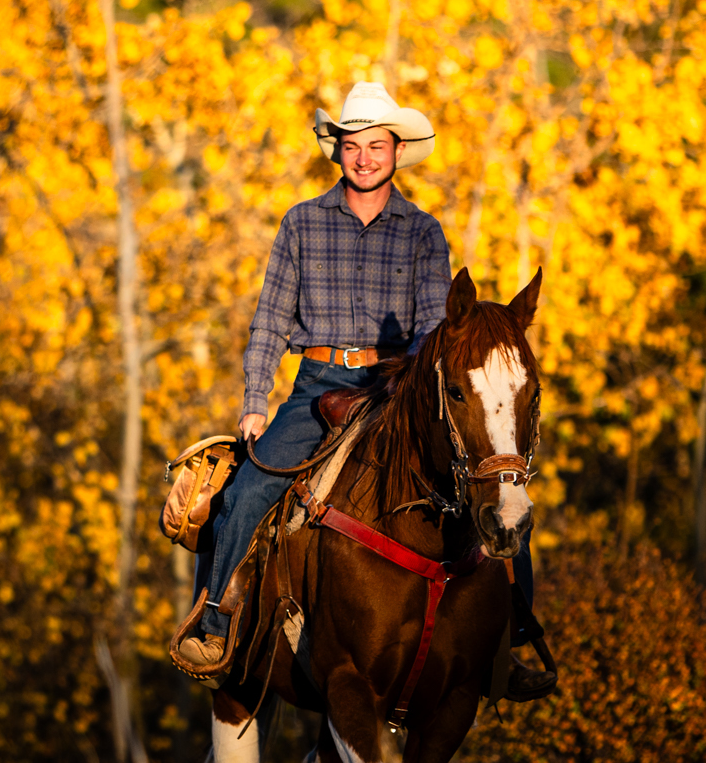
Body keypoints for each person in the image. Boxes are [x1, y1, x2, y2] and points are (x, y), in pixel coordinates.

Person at [176, 82, 553, 700]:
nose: (365, 157)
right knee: (246, 491)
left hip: (395, 386)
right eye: (354, 145)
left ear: (396, 150)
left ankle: (506, 643)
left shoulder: (424, 233)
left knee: (500, 491)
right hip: (316, 384)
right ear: (338, 151)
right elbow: (270, 319)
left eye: (376, 145)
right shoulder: (300, 223)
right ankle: (215, 624)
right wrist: (253, 400)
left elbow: (438, 326)